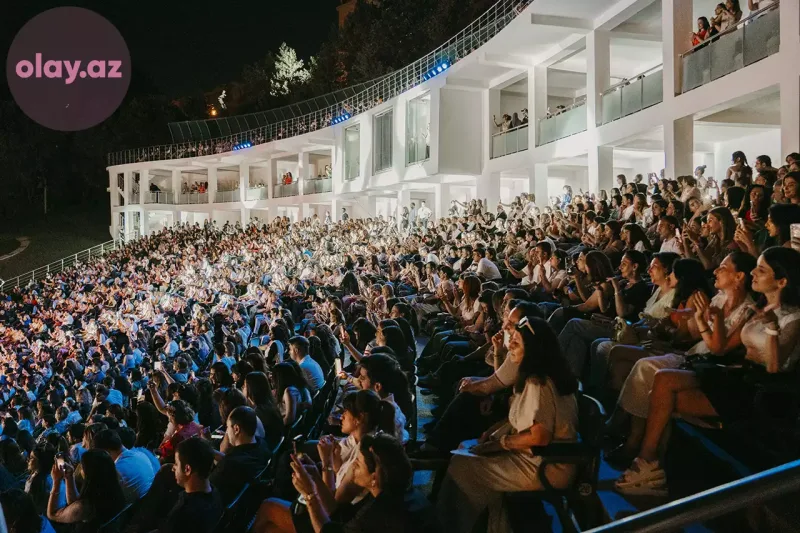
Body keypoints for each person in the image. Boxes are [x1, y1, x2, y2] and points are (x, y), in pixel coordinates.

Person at [437, 316, 579, 533]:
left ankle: (450, 526)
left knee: (462, 466)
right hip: (537, 458)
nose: (510, 344)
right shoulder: (540, 376)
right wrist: (492, 432)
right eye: (511, 338)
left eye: (517, 342)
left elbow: (539, 436)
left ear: (534, 349)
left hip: (547, 465)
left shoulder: (538, 383)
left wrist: (499, 443)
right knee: (465, 451)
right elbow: (523, 417)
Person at [286, 433, 413, 533]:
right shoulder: (383, 493)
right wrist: (315, 477)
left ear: (374, 478)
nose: (352, 467)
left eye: (357, 464)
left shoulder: (378, 514)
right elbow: (338, 513)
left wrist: (310, 495)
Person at [47, 449, 127, 528]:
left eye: (82, 466)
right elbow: (74, 504)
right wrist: (69, 476)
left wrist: (56, 481)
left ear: (89, 474)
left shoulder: (86, 507)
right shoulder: (116, 490)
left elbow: (53, 514)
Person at [160, 438, 223, 533]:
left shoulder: (182, 515)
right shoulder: (216, 494)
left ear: (187, 469)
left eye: (176, 464)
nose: (173, 468)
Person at [210, 406, 270, 505]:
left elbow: (208, 485)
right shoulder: (262, 444)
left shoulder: (229, 465)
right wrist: (212, 452)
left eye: (228, 427)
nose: (227, 432)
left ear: (236, 429)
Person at [92, 429, 156, 503]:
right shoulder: (141, 455)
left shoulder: (116, 470)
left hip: (138, 509)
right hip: (151, 503)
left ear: (106, 452)